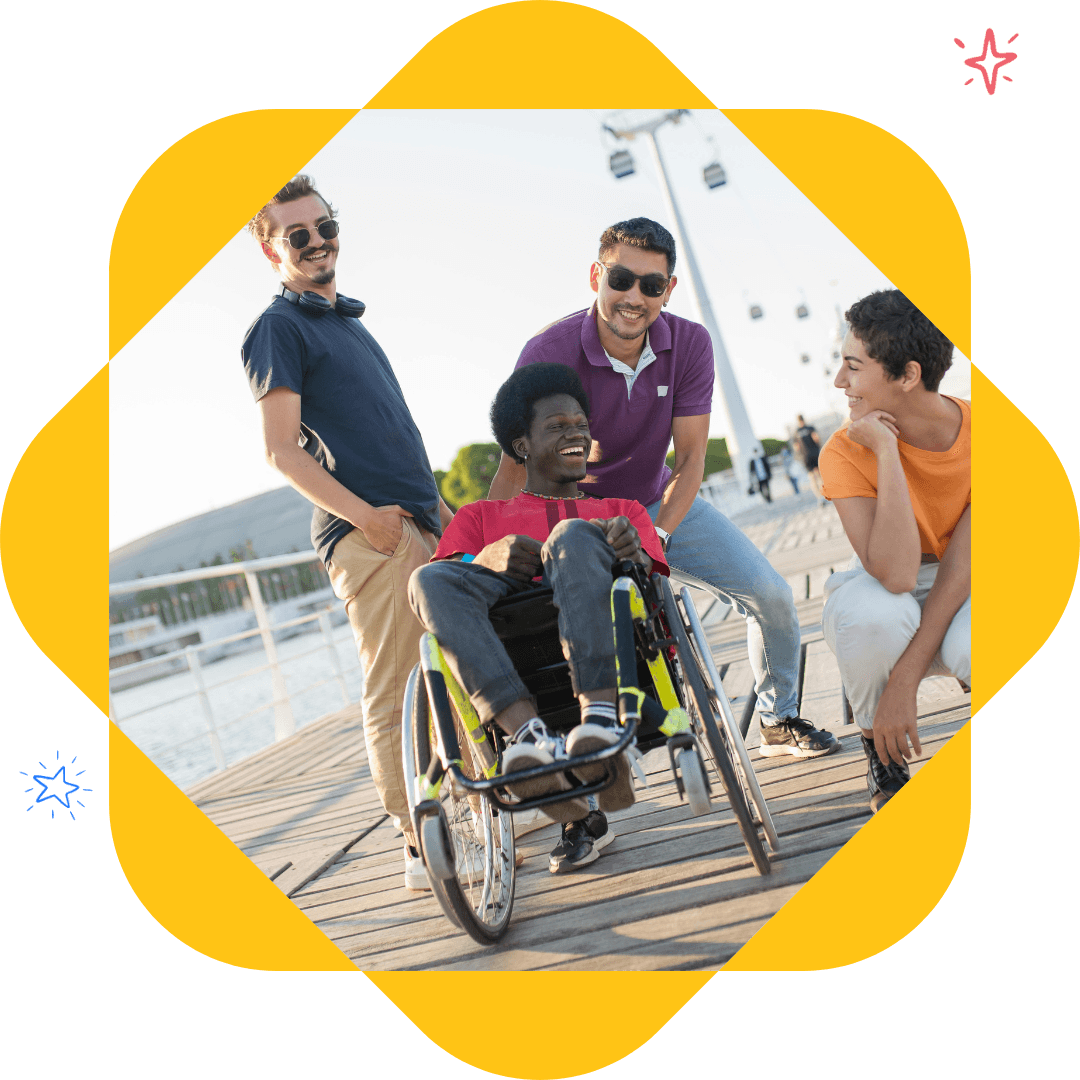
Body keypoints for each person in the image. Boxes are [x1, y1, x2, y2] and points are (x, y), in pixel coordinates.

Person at [488, 217, 839, 763]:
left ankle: (778, 717)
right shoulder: (547, 352)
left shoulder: (690, 344)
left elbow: (693, 457)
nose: (634, 297)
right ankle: (578, 775)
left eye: (651, 286)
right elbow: (516, 467)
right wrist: (486, 549)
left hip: (655, 504)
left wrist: (658, 534)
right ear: (595, 275)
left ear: (669, 290)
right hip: (574, 521)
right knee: (544, 635)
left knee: (769, 594)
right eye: (621, 279)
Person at [240, 176, 454, 890]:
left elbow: (388, 436)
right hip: (370, 536)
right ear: (271, 249)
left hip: (416, 522)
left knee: (455, 671)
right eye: (298, 234)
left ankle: (468, 806)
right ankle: (418, 838)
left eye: (325, 226)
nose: (318, 242)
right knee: (396, 688)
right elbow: (281, 450)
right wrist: (368, 518)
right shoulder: (279, 328)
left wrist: (440, 512)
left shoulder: (348, 324)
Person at [409, 363, 669, 871]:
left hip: (619, 669)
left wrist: (630, 551)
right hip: (515, 667)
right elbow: (444, 586)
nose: (576, 432)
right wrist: (484, 558)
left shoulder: (622, 510)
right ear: (521, 445)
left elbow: (653, 580)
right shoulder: (479, 520)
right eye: (556, 425)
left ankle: (597, 724)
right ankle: (530, 741)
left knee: (572, 537)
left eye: (580, 423)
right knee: (426, 579)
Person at [820, 290, 970, 813]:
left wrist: (904, 679)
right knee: (867, 617)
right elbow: (899, 574)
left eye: (852, 367)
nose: (840, 381)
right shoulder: (843, 451)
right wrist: (886, 452)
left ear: (907, 375)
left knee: (980, 644)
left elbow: (961, 571)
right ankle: (880, 754)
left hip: (970, 581)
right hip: (894, 580)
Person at [794, 413, 825, 502]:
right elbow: (816, 438)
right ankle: (824, 494)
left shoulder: (796, 432)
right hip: (815, 453)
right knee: (819, 476)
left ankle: (819, 498)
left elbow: (796, 447)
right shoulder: (810, 428)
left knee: (812, 478)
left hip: (806, 457)